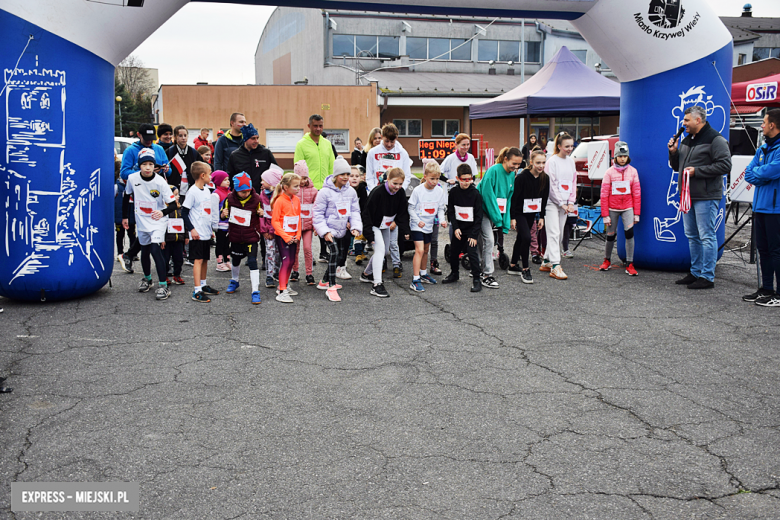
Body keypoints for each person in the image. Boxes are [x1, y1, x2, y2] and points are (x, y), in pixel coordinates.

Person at [668, 105, 732, 289]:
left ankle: (707, 276)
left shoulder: (716, 139)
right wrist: (673, 153)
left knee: (706, 235)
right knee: (692, 235)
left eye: (687, 120)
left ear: (698, 120)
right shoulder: (688, 139)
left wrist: (698, 171)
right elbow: (677, 167)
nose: (684, 123)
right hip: (688, 194)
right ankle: (695, 272)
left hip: (706, 195)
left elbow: (725, 165)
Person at [122, 148, 178, 301]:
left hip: (158, 221)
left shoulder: (160, 182)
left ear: (155, 166)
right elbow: (126, 197)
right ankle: (147, 279)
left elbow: (173, 205)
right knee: (145, 250)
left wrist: (163, 212)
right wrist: (124, 217)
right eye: (144, 164)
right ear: (139, 165)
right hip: (141, 220)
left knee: (155, 248)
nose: (147, 167)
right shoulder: (133, 179)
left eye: (150, 164)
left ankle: (163, 285)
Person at [365, 123, 413, 279]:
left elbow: (407, 176)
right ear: (382, 137)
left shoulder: (402, 153)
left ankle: (389, 261)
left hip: (394, 196)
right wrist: (374, 192)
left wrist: (398, 190)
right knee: (377, 231)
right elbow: (370, 175)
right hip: (378, 196)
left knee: (391, 231)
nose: (389, 144)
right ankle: (376, 265)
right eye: (386, 141)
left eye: (392, 142)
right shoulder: (373, 152)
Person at [743, 108, 780, 307]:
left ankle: (779, 294)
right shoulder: (763, 148)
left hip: (776, 209)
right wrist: (762, 174)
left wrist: (761, 174)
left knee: (776, 251)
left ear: (772, 125)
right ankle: (766, 289)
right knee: (763, 250)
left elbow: (772, 170)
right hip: (761, 207)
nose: (761, 126)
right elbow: (749, 173)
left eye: (764, 123)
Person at [313, 157, 362, 301]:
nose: (346, 177)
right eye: (343, 174)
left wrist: (355, 227)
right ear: (335, 175)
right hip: (328, 230)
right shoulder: (324, 192)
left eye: (348, 174)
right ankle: (331, 286)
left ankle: (323, 281)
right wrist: (325, 232)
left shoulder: (351, 192)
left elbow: (354, 211)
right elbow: (317, 214)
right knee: (333, 252)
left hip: (342, 229)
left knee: (340, 255)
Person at [359, 167, 411, 298]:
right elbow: (366, 213)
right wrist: (369, 234)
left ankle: (366, 274)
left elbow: (403, 213)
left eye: (400, 184)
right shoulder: (377, 192)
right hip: (374, 225)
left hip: (386, 226)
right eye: (395, 183)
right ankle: (377, 284)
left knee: (385, 252)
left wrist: (405, 230)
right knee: (380, 251)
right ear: (387, 179)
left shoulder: (400, 193)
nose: (397, 187)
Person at [476, 147, 520, 289]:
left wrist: (507, 219)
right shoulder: (493, 170)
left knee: (487, 241)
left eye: (518, 164)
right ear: (506, 159)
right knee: (489, 240)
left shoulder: (512, 175)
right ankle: (487, 275)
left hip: (496, 212)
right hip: (482, 210)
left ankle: (478, 267)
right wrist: (498, 219)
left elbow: (509, 198)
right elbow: (488, 195)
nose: (516, 167)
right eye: (514, 163)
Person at [294, 114, 336, 263]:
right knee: (307, 221)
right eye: (315, 126)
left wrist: (332, 184)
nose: (318, 129)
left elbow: (332, 165)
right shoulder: (301, 144)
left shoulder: (327, 144)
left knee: (324, 220)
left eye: (320, 126)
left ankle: (323, 252)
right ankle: (307, 255)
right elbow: (297, 166)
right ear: (309, 126)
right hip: (308, 189)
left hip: (324, 188)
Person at [599, 141, 642, 276]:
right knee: (610, 235)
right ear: (615, 157)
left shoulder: (633, 171)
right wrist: (605, 215)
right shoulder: (609, 173)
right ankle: (607, 260)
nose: (623, 159)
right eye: (620, 156)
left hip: (628, 207)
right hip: (612, 208)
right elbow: (604, 194)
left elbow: (637, 193)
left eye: (625, 156)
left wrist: (636, 214)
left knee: (629, 234)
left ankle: (630, 263)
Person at [222, 172, 265, 305]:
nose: (245, 194)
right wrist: (223, 214)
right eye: (242, 192)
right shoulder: (229, 198)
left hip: (251, 236)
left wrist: (262, 213)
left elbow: (262, 214)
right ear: (236, 190)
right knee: (235, 260)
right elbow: (223, 215)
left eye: (247, 191)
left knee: (252, 262)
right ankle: (235, 281)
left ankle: (255, 290)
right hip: (235, 236)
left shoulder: (257, 199)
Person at [508, 149, 548, 283]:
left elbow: (544, 198)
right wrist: (512, 217)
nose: (541, 165)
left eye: (543, 162)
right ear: (531, 162)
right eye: (538, 163)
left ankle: (513, 265)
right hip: (520, 212)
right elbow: (514, 198)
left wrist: (541, 216)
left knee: (521, 238)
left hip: (532, 212)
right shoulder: (522, 177)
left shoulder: (544, 178)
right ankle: (525, 269)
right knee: (526, 237)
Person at [541, 133, 577, 281]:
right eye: (566, 146)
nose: (569, 149)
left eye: (571, 146)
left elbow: (573, 183)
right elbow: (551, 184)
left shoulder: (571, 162)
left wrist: (570, 202)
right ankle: (556, 265)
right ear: (559, 146)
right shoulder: (552, 161)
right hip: (551, 202)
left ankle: (547, 260)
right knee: (554, 232)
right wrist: (562, 203)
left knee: (559, 233)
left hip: (565, 204)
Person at [408, 160, 447, 292]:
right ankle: (415, 279)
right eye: (432, 178)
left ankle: (423, 274)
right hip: (417, 225)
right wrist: (417, 220)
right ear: (425, 176)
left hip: (429, 225)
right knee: (419, 250)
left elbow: (441, 208)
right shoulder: (418, 191)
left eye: (437, 178)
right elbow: (411, 208)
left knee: (425, 250)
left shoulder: (439, 191)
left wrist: (442, 220)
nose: (435, 181)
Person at [443, 164, 483, 292]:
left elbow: (478, 217)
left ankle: (477, 279)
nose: (466, 182)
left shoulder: (476, 194)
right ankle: (454, 274)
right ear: (457, 178)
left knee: (472, 253)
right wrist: (455, 227)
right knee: (454, 252)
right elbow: (451, 212)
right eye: (463, 179)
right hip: (459, 228)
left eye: (469, 179)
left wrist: (474, 235)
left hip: (471, 230)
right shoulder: (454, 192)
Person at [182, 161, 219, 303]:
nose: (211, 176)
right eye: (209, 174)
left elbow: (206, 212)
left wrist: (210, 230)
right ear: (202, 175)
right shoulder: (192, 192)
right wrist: (192, 229)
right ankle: (197, 290)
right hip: (196, 234)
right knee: (197, 260)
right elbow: (184, 213)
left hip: (205, 232)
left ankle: (203, 285)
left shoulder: (207, 191)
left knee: (204, 260)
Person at [271, 173, 302, 303]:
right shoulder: (279, 200)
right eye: (295, 186)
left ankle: (285, 285)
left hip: (294, 236)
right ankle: (282, 290)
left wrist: (298, 235)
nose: (298, 188)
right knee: (286, 261)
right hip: (283, 237)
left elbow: (299, 218)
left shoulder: (296, 200)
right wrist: (286, 236)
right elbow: (275, 221)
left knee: (291, 262)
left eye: (299, 186)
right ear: (285, 187)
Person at [225, 123, 278, 188]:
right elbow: (230, 176)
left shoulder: (265, 153)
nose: (256, 141)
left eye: (257, 138)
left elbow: (276, 173)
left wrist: (269, 186)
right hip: (243, 193)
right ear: (245, 139)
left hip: (262, 193)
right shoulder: (235, 155)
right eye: (253, 138)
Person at [293, 160, 318, 286]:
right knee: (295, 249)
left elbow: (316, 209)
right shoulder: (293, 190)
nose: (302, 181)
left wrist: (315, 226)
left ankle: (309, 273)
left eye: (305, 178)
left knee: (307, 248)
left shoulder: (314, 191)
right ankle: (295, 271)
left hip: (308, 225)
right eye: (300, 178)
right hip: (295, 226)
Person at [260, 166, 283, 288]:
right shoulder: (262, 195)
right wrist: (264, 230)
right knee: (270, 251)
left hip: (278, 231)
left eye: (264, 180)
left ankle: (276, 273)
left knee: (279, 252)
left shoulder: (280, 197)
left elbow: (280, 217)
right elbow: (261, 215)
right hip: (267, 231)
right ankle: (269, 275)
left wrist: (275, 230)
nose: (261, 182)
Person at [166, 126, 204, 196]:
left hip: (190, 191)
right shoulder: (169, 152)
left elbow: (201, 168)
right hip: (174, 191)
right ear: (175, 137)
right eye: (180, 136)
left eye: (185, 135)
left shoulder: (194, 153)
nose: (183, 138)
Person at [162, 185, 186, 286]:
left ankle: (177, 275)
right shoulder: (165, 209)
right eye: (175, 194)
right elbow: (161, 225)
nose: (178, 196)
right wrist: (162, 239)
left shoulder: (181, 209)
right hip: (167, 240)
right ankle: (165, 276)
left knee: (179, 259)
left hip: (179, 239)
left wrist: (186, 236)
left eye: (178, 194)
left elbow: (186, 223)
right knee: (165, 259)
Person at [210, 170, 231, 271]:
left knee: (227, 243)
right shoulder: (216, 194)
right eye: (225, 180)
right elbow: (213, 210)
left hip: (229, 224)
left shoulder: (229, 192)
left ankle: (227, 260)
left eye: (228, 179)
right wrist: (215, 224)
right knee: (220, 243)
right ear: (218, 181)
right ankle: (219, 262)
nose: (228, 181)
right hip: (220, 224)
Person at [349, 167, 368, 264]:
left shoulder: (362, 189)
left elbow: (365, 203)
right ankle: (357, 254)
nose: (354, 178)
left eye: (357, 176)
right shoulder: (346, 190)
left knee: (363, 235)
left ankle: (361, 251)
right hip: (349, 215)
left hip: (361, 214)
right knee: (357, 235)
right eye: (351, 176)